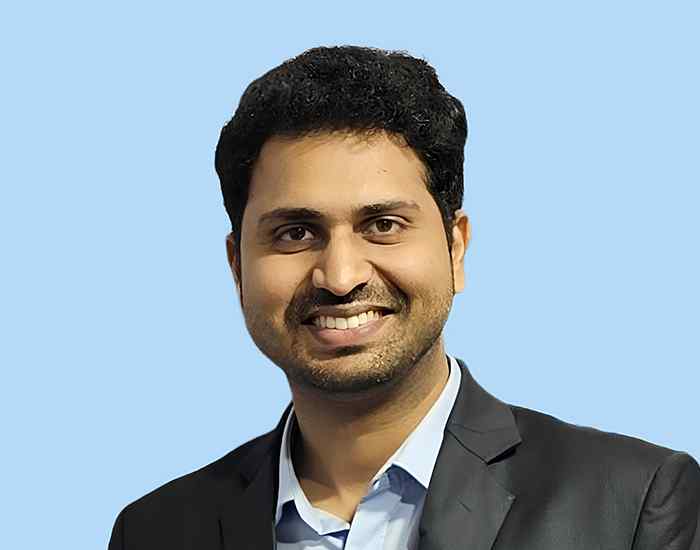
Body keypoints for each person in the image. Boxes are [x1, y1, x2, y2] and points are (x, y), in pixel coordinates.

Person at [108, 45, 700, 549]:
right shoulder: (155, 531)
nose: (340, 276)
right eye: (295, 233)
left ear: (455, 248)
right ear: (238, 266)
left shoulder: (634, 505)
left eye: (383, 225)